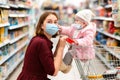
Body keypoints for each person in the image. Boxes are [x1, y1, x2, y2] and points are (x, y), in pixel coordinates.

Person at [17, 11, 67, 80]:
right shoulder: (41, 42)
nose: (53, 25)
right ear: (41, 25)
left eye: (55, 22)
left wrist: (59, 45)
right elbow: (53, 72)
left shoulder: (40, 39)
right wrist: (61, 48)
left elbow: (51, 62)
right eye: (49, 22)